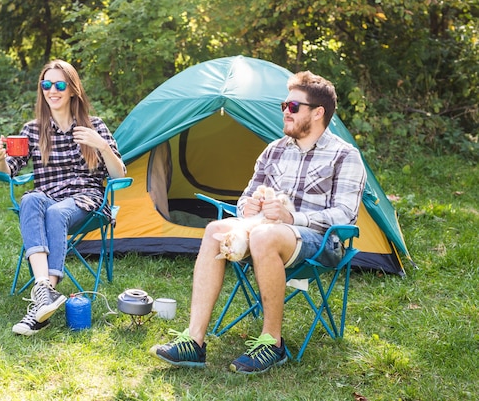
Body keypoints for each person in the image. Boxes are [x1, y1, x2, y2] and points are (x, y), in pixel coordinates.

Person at [149, 71, 366, 374]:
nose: (285, 112)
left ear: (318, 113)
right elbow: (246, 199)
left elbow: (345, 216)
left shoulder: (345, 155)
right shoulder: (274, 150)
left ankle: (272, 343)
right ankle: (194, 342)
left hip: (320, 242)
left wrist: (293, 218)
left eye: (293, 107)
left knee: (265, 235)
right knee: (213, 231)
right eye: (283, 106)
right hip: (265, 230)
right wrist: (247, 206)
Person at [0, 59, 126, 336]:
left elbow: (119, 174)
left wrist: (101, 146)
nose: (53, 90)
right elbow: (10, 172)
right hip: (48, 196)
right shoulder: (33, 130)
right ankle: (45, 288)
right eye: (46, 84)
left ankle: (41, 301)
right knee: (30, 200)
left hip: (86, 200)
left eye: (60, 84)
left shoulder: (93, 126)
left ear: (73, 90)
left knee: (55, 213)